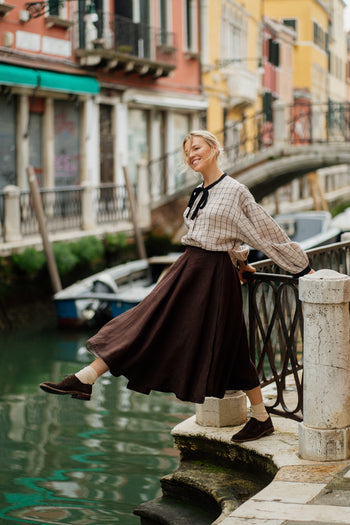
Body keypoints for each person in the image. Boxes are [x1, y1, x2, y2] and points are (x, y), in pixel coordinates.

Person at [40, 130, 313, 442]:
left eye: (196, 148)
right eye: (187, 151)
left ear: (214, 149)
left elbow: (263, 230)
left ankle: (86, 378)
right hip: (191, 268)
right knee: (149, 322)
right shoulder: (199, 191)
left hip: (211, 275)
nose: (191, 155)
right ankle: (85, 377)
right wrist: (240, 261)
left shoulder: (235, 190)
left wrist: (301, 265)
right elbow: (227, 234)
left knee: (189, 333)